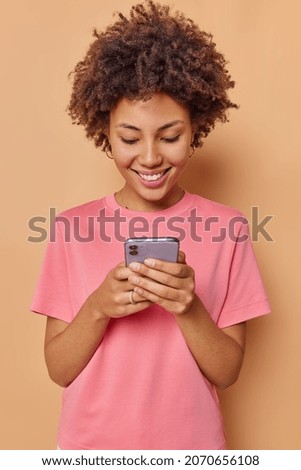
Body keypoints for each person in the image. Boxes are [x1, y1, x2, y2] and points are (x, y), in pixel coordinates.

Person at [30, 0, 271, 450]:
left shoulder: (230, 229)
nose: (150, 157)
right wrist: (98, 306)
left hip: (192, 449)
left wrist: (188, 306)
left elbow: (228, 371)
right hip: (91, 450)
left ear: (197, 126)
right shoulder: (69, 229)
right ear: (104, 130)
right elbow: (58, 370)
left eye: (170, 135)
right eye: (129, 138)